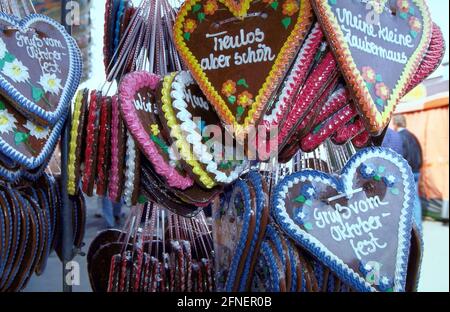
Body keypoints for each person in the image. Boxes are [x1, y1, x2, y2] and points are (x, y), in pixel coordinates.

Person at [392, 115, 424, 230]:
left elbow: (401, 155)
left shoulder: (399, 137)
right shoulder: (413, 136)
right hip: (417, 171)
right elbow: (420, 153)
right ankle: (418, 226)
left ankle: (406, 227)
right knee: (415, 199)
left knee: (403, 199)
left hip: (408, 172)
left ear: (395, 124)